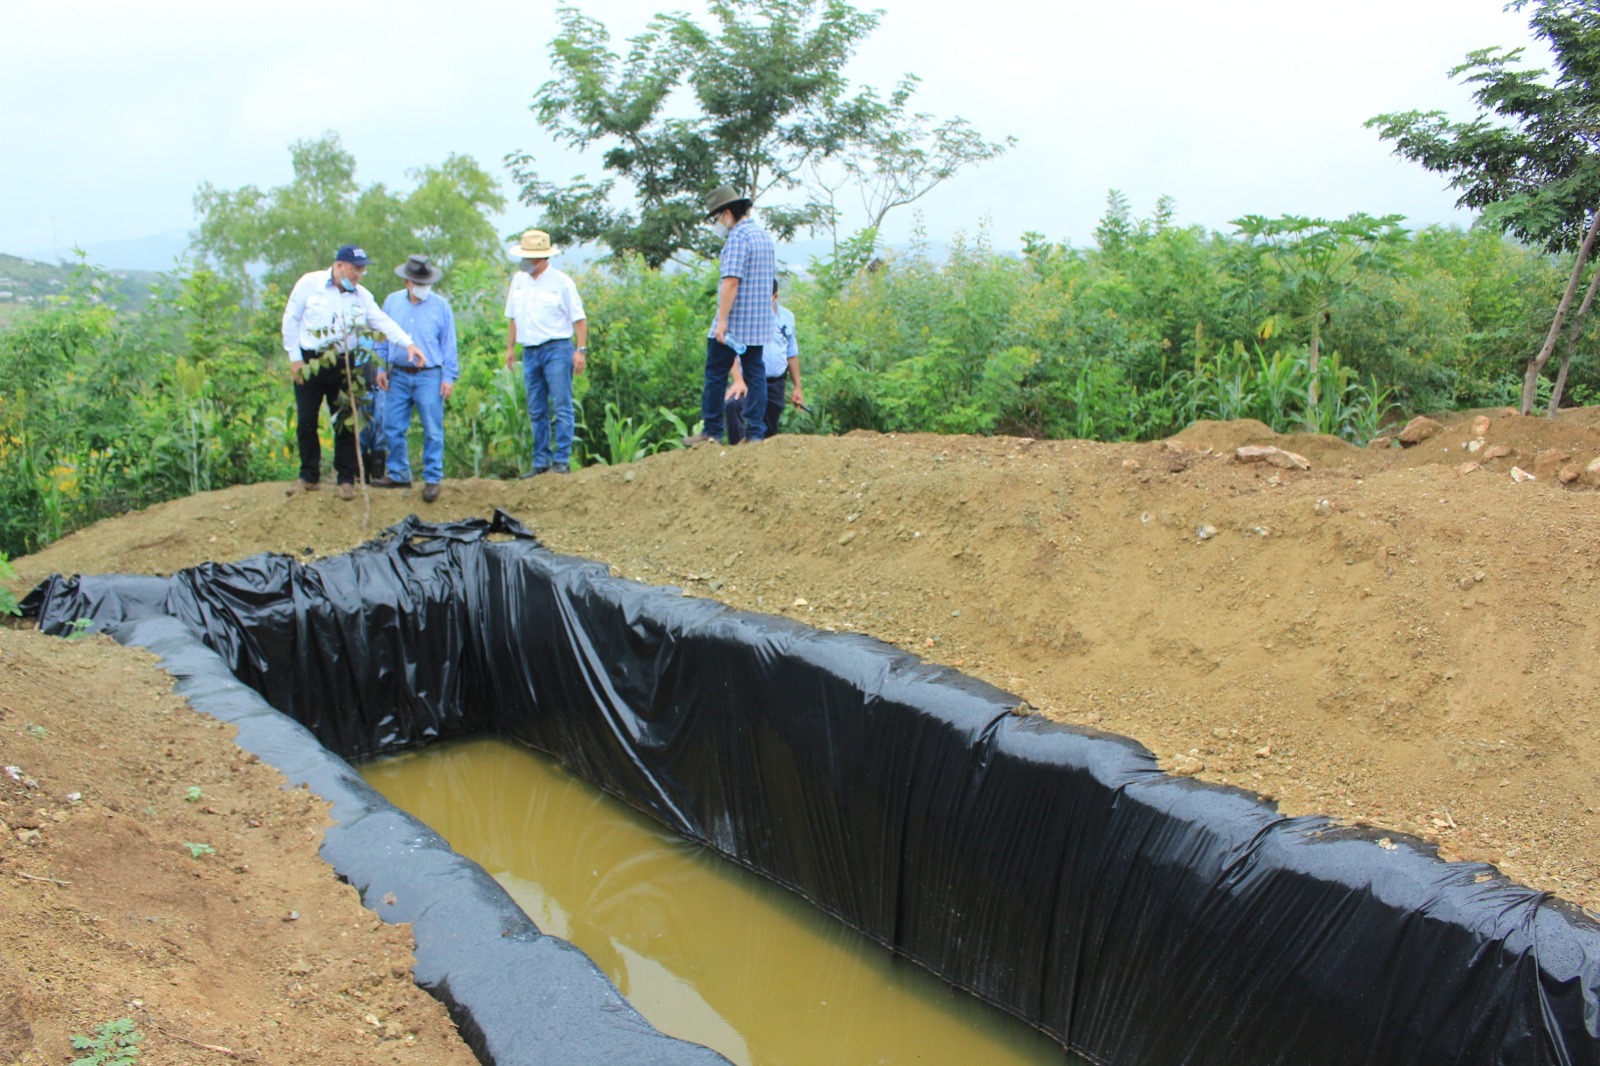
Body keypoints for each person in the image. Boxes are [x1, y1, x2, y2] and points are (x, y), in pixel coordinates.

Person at [281, 244, 425, 500]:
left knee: (346, 419)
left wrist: (408, 344)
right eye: (355, 269)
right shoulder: (309, 284)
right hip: (310, 361)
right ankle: (309, 475)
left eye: (362, 270)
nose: (359, 274)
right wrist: (295, 359)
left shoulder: (362, 296)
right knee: (306, 419)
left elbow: (382, 322)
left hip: (344, 362)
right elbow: (290, 318)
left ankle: (346, 478)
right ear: (339, 265)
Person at [684, 186, 776, 445]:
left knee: (715, 372)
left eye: (716, 218)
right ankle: (755, 432)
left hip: (735, 322)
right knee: (756, 374)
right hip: (758, 323)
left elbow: (731, 281)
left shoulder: (737, 238)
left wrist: (722, 321)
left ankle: (712, 430)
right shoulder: (762, 236)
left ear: (726, 213)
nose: (717, 224)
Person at [371, 255, 458, 503]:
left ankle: (432, 477)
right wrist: (380, 368)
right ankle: (398, 472)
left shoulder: (441, 307)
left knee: (432, 429)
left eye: (426, 283)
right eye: (418, 283)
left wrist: (449, 377)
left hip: (429, 375)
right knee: (392, 426)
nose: (423, 288)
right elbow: (382, 336)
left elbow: (449, 343)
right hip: (398, 373)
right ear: (407, 282)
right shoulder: (392, 302)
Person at [504, 229, 588, 476]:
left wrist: (580, 350)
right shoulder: (519, 281)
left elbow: (579, 319)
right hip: (530, 351)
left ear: (542, 258)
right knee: (536, 408)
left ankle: (561, 459)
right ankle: (540, 460)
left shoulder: (561, 282)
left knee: (561, 405)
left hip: (557, 349)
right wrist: (510, 348)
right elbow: (513, 317)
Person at [725, 280, 804, 444]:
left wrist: (797, 386)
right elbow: (729, 350)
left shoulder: (787, 317)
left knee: (768, 431)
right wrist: (738, 380)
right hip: (748, 381)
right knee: (734, 405)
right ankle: (736, 451)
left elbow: (791, 353)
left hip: (775, 383)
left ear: (774, 297)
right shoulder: (743, 316)